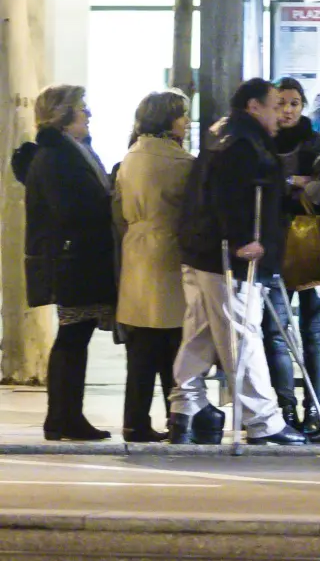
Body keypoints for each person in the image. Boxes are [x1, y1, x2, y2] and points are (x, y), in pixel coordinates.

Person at [168, 79, 307, 446]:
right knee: (242, 335)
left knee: (200, 332)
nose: (281, 114)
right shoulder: (245, 143)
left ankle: (187, 405)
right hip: (228, 257)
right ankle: (264, 421)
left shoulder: (221, 133)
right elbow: (231, 195)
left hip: (201, 252)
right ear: (253, 106)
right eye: (274, 105)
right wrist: (245, 240)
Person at [12, 85, 116, 441]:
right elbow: (73, 209)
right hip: (73, 259)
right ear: (64, 114)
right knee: (73, 337)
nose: (88, 115)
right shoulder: (58, 155)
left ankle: (65, 416)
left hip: (74, 257)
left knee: (74, 336)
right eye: (82, 109)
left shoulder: (68, 151)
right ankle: (64, 417)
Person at [112, 90, 195, 442]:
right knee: (175, 345)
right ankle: (179, 419)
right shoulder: (179, 162)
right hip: (168, 256)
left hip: (135, 254)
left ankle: (135, 421)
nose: (187, 122)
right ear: (167, 120)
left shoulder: (131, 155)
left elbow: (117, 212)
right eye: (182, 116)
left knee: (142, 347)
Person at [265, 77, 320, 437]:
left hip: (315, 250)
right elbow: (259, 187)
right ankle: (285, 408)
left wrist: (290, 181)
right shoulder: (260, 142)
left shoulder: (317, 141)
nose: (287, 110)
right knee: (276, 334)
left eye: (294, 102)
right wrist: (299, 180)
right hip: (273, 248)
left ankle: (316, 406)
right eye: (280, 103)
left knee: (316, 333)